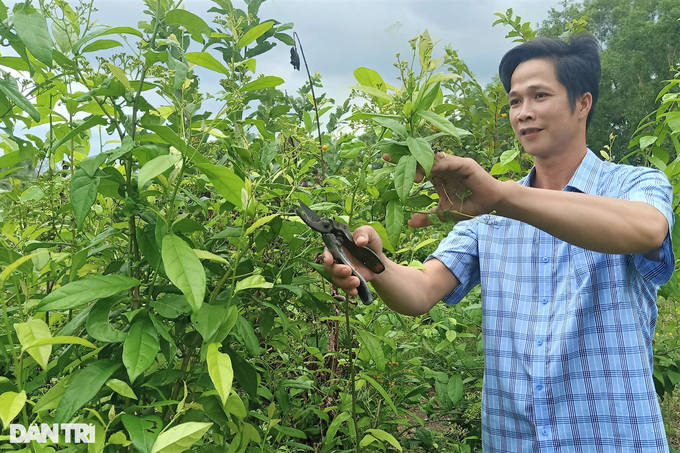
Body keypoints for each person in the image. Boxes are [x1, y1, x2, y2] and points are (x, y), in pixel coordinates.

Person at [324, 33, 675, 452]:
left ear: (582, 103)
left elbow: (648, 230)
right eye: (514, 101)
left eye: (539, 95)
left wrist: (504, 197)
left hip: (613, 438)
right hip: (514, 441)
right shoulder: (486, 212)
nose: (523, 113)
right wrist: (375, 262)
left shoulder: (634, 183)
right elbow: (420, 292)